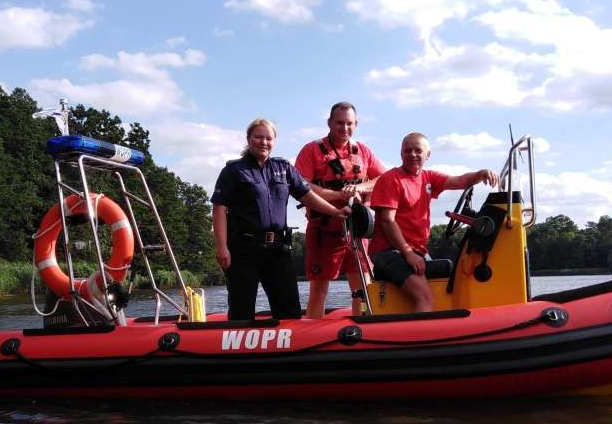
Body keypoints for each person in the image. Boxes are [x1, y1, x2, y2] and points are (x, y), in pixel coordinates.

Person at [212, 119, 352, 321]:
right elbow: (219, 209)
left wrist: (335, 212)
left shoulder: (284, 168)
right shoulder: (233, 171)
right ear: (249, 139)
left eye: (268, 138)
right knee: (241, 309)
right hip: (244, 250)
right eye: (258, 137)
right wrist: (222, 248)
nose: (263, 142)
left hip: (278, 250)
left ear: (274, 141)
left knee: (289, 311)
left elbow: (307, 196)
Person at [369, 132, 500, 312]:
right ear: (401, 153)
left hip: (416, 251)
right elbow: (387, 221)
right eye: (407, 150)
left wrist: (481, 174)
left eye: (418, 150)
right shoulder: (390, 180)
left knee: (449, 275)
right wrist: (408, 253)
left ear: (428, 155)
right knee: (425, 297)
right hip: (389, 252)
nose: (412, 154)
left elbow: (460, 181)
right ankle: (419, 330)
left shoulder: (428, 177)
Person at [294, 102, 386, 318]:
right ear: (329, 123)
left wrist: (359, 188)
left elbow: (384, 179)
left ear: (356, 124)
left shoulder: (363, 150)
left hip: (357, 232)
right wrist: (338, 195)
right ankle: (314, 331)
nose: (345, 128)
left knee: (363, 290)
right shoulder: (311, 150)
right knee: (319, 292)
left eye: (349, 123)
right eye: (339, 123)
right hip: (324, 230)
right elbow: (300, 186)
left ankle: (364, 327)